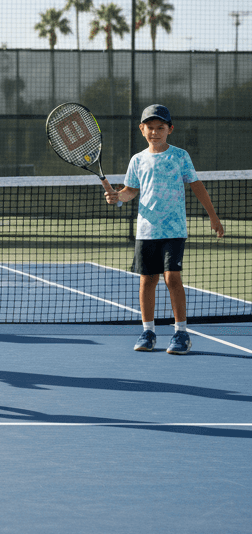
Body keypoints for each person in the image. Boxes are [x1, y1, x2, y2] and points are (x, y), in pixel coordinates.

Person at [104, 103, 224, 354]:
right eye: (150, 127)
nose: (155, 132)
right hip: (146, 231)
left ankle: (181, 333)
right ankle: (148, 331)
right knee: (147, 281)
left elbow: (197, 186)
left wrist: (213, 216)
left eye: (160, 127)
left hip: (174, 230)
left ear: (170, 129)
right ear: (141, 129)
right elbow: (131, 191)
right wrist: (118, 196)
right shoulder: (137, 160)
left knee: (172, 278)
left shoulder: (180, 156)